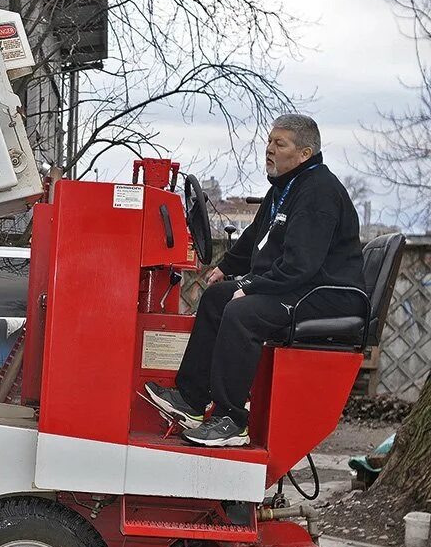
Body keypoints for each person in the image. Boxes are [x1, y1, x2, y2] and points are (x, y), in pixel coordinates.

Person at [145, 114, 366, 447]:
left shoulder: (318, 193)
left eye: (280, 144)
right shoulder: (286, 187)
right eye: (269, 142)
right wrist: (228, 267)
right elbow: (257, 237)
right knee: (217, 298)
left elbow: (300, 266)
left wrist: (249, 286)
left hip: (324, 295)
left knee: (242, 313)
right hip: (302, 287)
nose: (269, 150)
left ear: (304, 153)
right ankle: (191, 401)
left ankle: (231, 420)